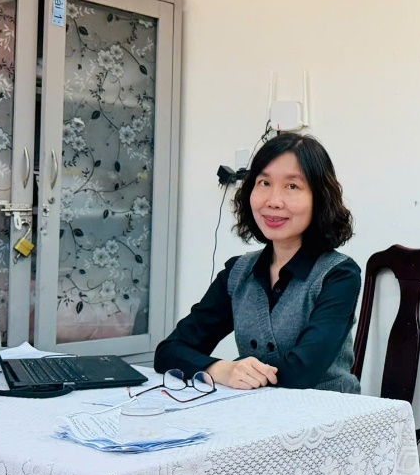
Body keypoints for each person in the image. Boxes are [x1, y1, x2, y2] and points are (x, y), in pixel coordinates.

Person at [153, 134, 361, 392]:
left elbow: (301, 373)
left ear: (319, 199)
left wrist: (238, 371)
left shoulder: (339, 275)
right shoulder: (238, 273)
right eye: (264, 182)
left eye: (292, 186)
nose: (273, 200)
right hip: (256, 414)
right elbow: (168, 352)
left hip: (330, 418)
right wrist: (223, 369)